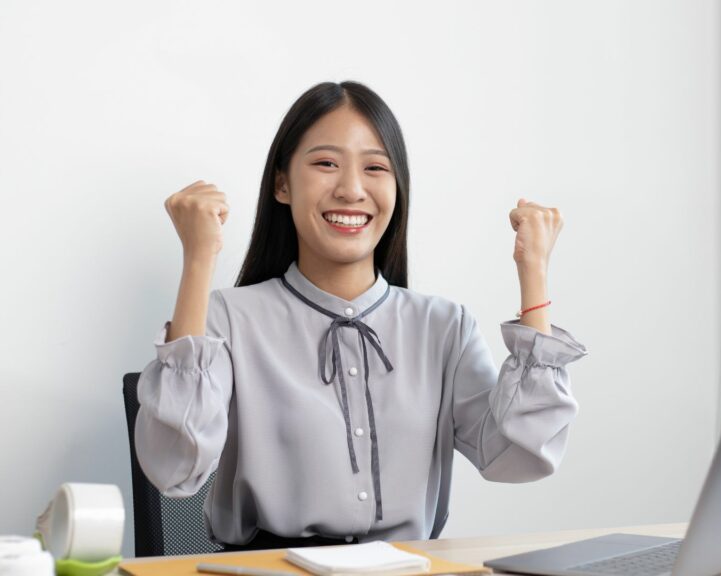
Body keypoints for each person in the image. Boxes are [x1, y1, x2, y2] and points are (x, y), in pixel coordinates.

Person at [134, 80, 588, 551]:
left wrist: (532, 271)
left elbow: (520, 457)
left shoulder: (445, 327)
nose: (351, 190)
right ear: (282, 184)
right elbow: (173, 468)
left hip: (408, 567)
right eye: (326, 164)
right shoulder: (229, 318)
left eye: (375, 168)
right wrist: (198, 258)